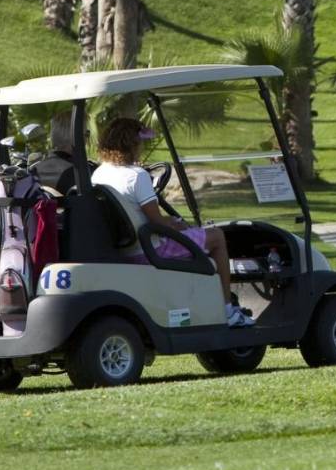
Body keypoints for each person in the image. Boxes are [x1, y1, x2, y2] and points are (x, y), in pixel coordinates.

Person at [91, 117, 254, 328]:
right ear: (132, 144)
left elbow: (143, 215)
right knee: (217, 237)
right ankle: (228, 310)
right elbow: (158, 223)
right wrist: (178, 225)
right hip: (151, 249)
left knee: (188, 230)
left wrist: (172, 222)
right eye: (140, 144)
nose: (142, 148)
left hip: (125, 248)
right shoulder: (137, 176)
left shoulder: (99, 173)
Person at [31, 110, 83, 195]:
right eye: (86, 134)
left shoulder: (34, 170)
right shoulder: (80, 172)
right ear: (76, 137)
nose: (87, 141)